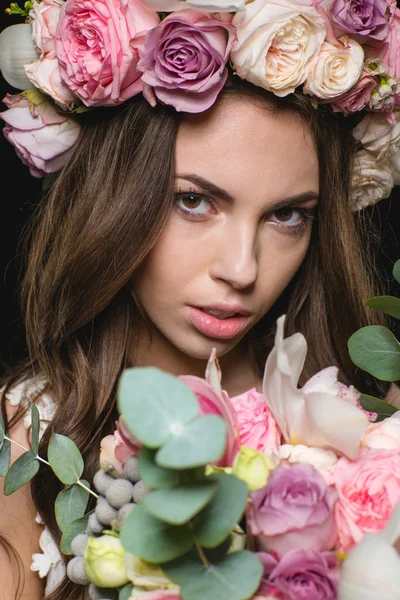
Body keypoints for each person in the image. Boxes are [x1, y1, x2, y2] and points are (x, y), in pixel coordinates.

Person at [0, 1, 399, 599]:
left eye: (287, 215)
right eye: (194, 201)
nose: (242, 270)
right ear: (115, 200)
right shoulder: (30, 440)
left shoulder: (369, 421)